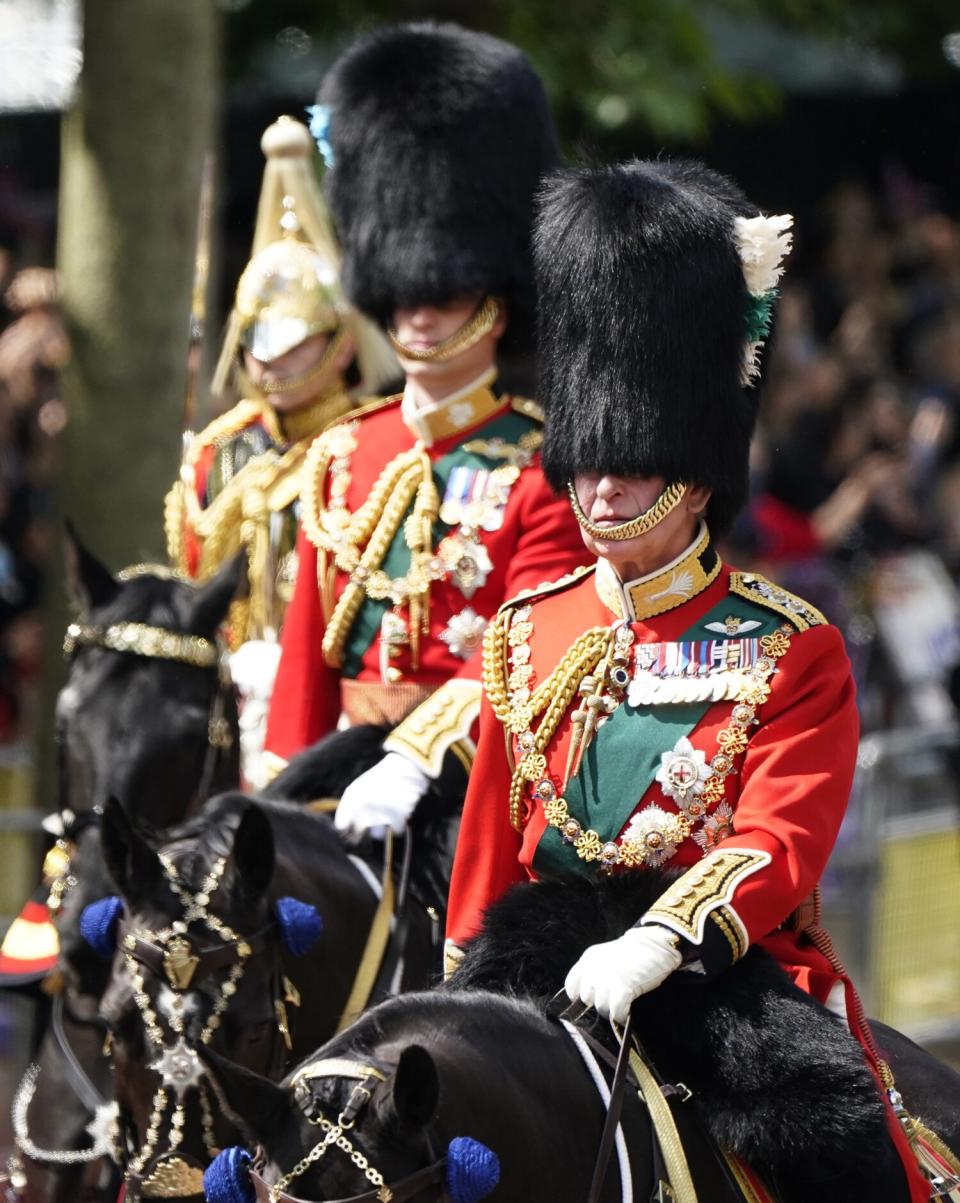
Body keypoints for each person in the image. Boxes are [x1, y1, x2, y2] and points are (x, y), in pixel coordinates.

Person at [445, 160, 942, 1201]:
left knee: (850, 1160)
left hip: (719, 980)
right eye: (588, 461)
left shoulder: (786, 644)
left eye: (631, 461)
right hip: (532, 974)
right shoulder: (528, 630)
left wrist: (660, 938)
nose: (603, 484)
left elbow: (778, 840)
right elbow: (490, 847)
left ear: (695, 465)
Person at [262, 23, 588, 825]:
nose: (418, 315)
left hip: (470, 782)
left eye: (442, 294)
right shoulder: (342, 453)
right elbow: (309, 657)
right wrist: (273, 789)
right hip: (336, 776)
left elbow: (526, 652)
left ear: (492, 299)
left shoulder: (540, 463)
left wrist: (415, 756)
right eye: (405, 295)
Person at [164, 116, 397, 786]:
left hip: (336, 694)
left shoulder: (372, 442)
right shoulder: (218, 449)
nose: (270, 359)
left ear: (340, 341)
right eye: (259, 339)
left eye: (292, 340)